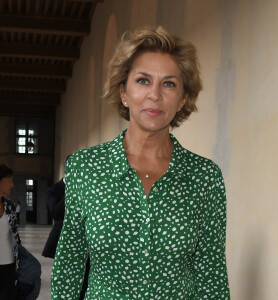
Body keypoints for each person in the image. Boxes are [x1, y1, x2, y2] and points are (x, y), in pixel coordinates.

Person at [51, 26, 230, 299]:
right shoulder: (85, 168)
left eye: (168, 83)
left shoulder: (204, 177)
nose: (154, 95)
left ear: (182, 99)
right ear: (123, 92)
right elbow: (70, 263)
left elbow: (211, 273)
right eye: (143, 80)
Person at [43, 155, 89, 300]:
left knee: (86, 278)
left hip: (87, 240)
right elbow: (56, 213)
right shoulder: (54, 190)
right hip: (64, 240)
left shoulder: (88, 186)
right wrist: (72, 190)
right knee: (67, 279)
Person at [0, 164, 21, 300]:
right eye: (9, 180)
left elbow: (15, 236)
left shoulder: (10, 206)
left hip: (9, 265)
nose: (12, 184)